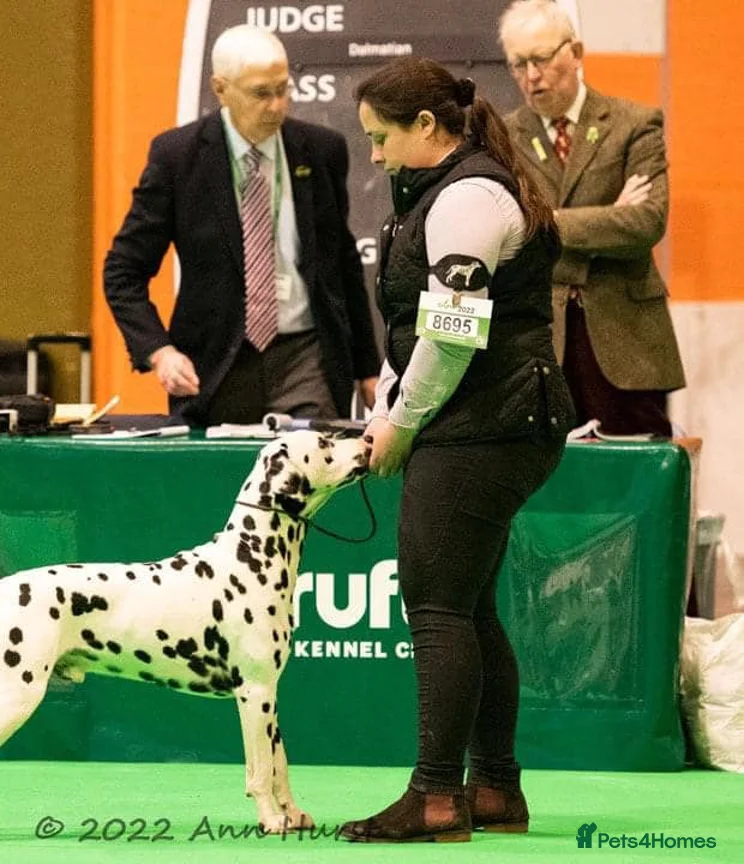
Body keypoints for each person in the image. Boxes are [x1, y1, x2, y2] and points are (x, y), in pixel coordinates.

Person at [337, 57, 575, 843]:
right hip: (489, 420)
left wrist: (403, 423)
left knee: (437, 606)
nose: (374, 156)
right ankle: (495, 789)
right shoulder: (443, 193)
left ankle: (436, 797)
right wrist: (389, 407)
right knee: (467, 607)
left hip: (486, 425)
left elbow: (453, 333)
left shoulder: (468, 200)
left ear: (426, 127)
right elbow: (415, 328)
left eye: (381, 139)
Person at [103, 24, 380, 427]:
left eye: (283, 89)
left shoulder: (321, 150)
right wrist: (160, 352)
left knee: (311, 460)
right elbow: (123, 270)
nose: (276, 105)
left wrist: (367, 368)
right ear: (220, 89)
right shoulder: (178, 157)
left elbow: (342, 263)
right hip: (216, 363)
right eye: (260, 93)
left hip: (305, 358)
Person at [498, 0, 685, 437]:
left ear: (576, 52)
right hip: (540, 343)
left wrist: (547, 222)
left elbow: (646, 223)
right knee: (552, 473)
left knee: (636, 468)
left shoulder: (634, 123)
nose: (531, 76)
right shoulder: (503, 138)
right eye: (519, 64)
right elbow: (510, 233)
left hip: (627, 341)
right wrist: (609, 218)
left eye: (541, 59)